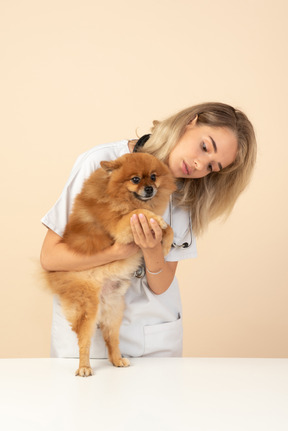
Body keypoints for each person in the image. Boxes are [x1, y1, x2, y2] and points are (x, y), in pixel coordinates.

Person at [40, 102, 257, 358]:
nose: (200, 165)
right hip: (90, 335)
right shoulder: (104, 164)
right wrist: (117, 251)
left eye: (212, 167)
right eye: (205, 147)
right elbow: (50, 257)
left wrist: (153, 250)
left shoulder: (187, 196)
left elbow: (161, 284)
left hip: (155, 340)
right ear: (190, 122)